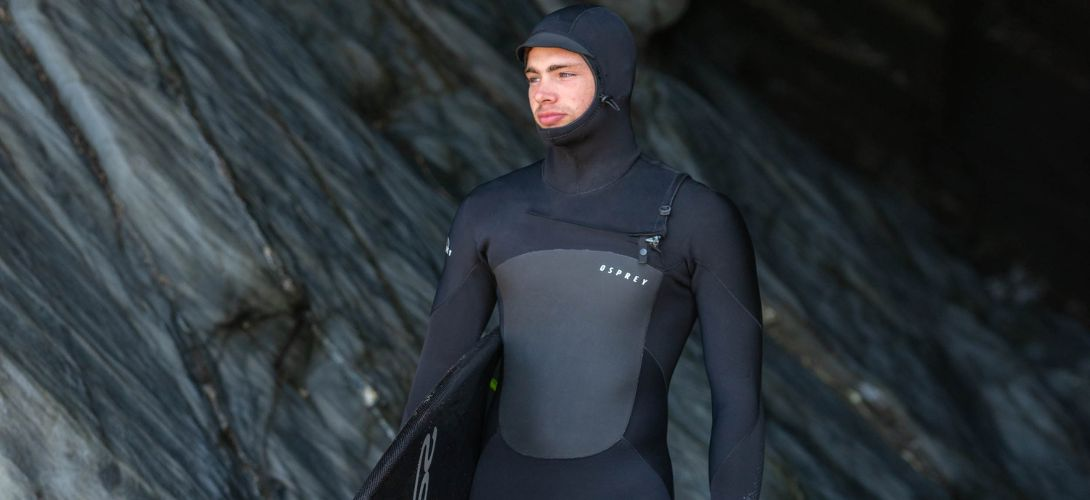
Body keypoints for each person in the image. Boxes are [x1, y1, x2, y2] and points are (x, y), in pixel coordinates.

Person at [400, 4, 764, 499]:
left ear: (613, 77)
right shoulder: (490, 210)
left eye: (563, 73)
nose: (542, 92)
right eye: (533, 77)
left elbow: (739, 401)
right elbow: (432, 389)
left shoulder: (693, 217)